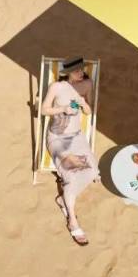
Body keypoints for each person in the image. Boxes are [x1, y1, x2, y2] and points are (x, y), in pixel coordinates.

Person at [40, 57, 99, 245]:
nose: (81, 73)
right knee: (71, 177)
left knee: (93, 171)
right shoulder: (57, 87)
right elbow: (43, 110)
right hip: (58, 139)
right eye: (76, 71)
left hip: (77, 137)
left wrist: (83, 104)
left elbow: (89, 111)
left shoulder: (87, 84)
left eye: (82, 70)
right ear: (67, 73)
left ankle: (63, 200)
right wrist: (63, 108)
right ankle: (72, 220)